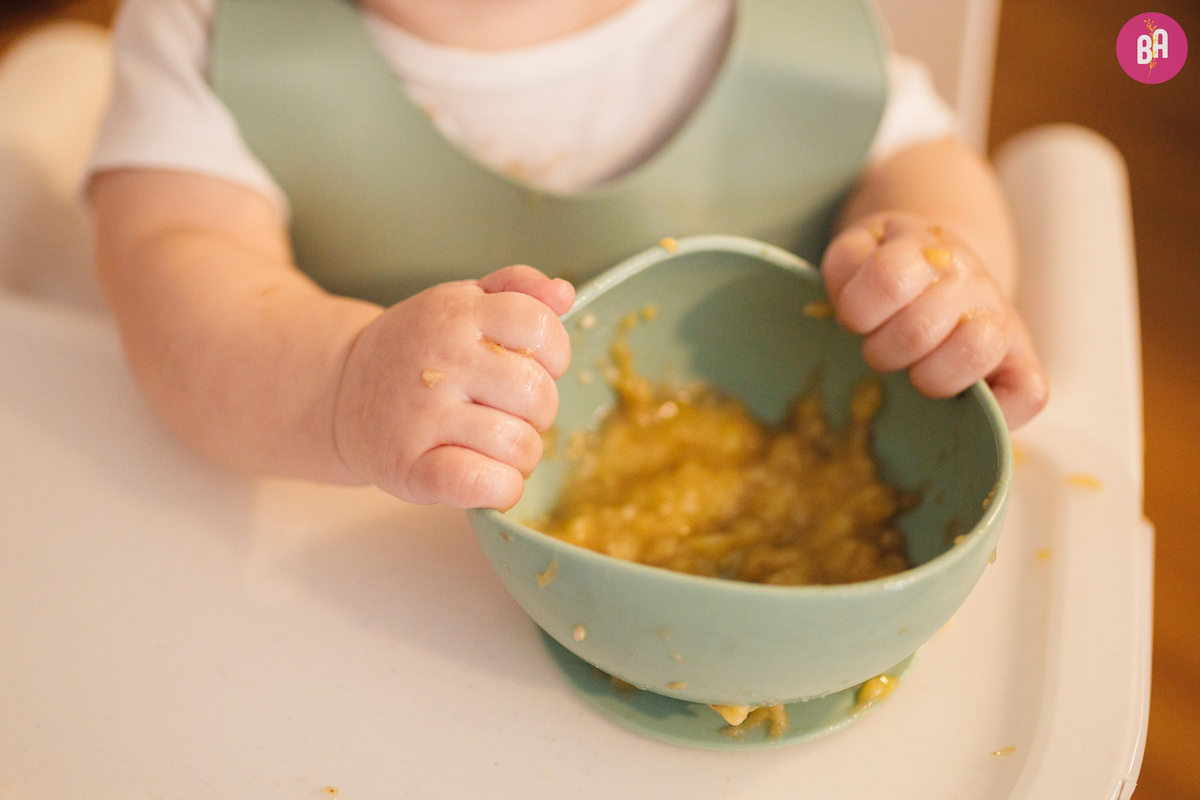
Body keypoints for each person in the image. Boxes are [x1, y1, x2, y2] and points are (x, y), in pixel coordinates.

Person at [86, 0, 1047, 513]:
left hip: (778, 493)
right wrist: (342, 385)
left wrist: (936, 265)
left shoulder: (790, 26)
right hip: (381, 558)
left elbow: (913, 158)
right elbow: (179, 277)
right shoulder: (212, 31)